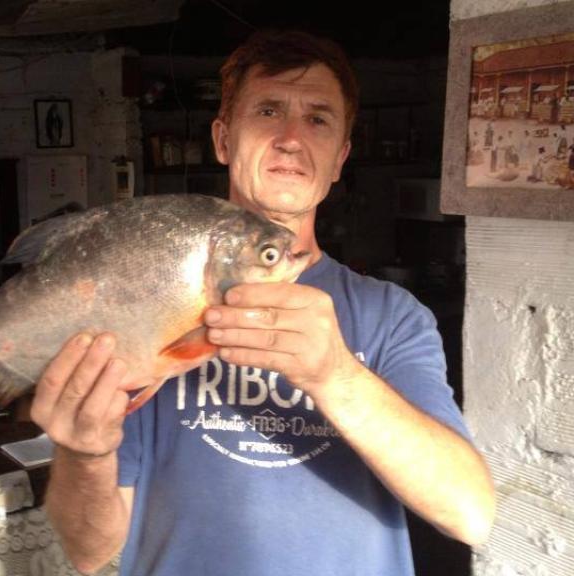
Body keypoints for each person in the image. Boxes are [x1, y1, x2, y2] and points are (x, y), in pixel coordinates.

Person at [32, 30, 496, 576]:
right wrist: (85, 454)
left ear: (340, 157)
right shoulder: (142, 310)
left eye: (318, 119)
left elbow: (470, 514)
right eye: (269, 111)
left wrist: (335, 376)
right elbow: (89, 553)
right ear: (223, 139)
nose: (292, 139)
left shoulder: (392, 317)